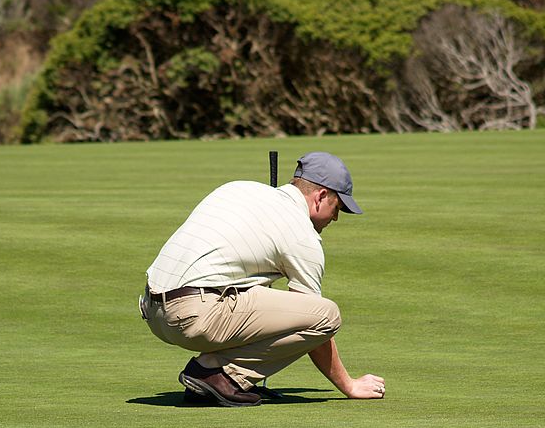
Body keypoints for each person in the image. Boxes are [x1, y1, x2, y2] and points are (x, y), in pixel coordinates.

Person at [139, 151, 385, 407]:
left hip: (153, 313)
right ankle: (218, 375)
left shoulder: (237, 188)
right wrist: (349, 385)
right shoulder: (302, 235)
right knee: (327, 315)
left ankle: (212, 371)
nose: (335, 218)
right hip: (194, 317)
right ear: (321, 196)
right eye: (338, 208)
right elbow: (316, 322)